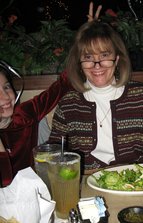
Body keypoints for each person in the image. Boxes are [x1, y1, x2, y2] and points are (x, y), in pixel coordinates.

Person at [0, 2, 102, 187]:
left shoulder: (24, 116)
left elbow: (63, 83)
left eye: (6, 87)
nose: (5, 97)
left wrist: (87, 40)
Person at [48, 19, 143, 174]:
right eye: (89, 57)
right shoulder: (68, 104)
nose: (97, 65)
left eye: (104, 55)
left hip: (136, 181)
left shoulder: (141, 96)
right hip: (86, 181)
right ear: (79, 62)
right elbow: (57, 151)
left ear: (117, 59)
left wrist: (135, 176)